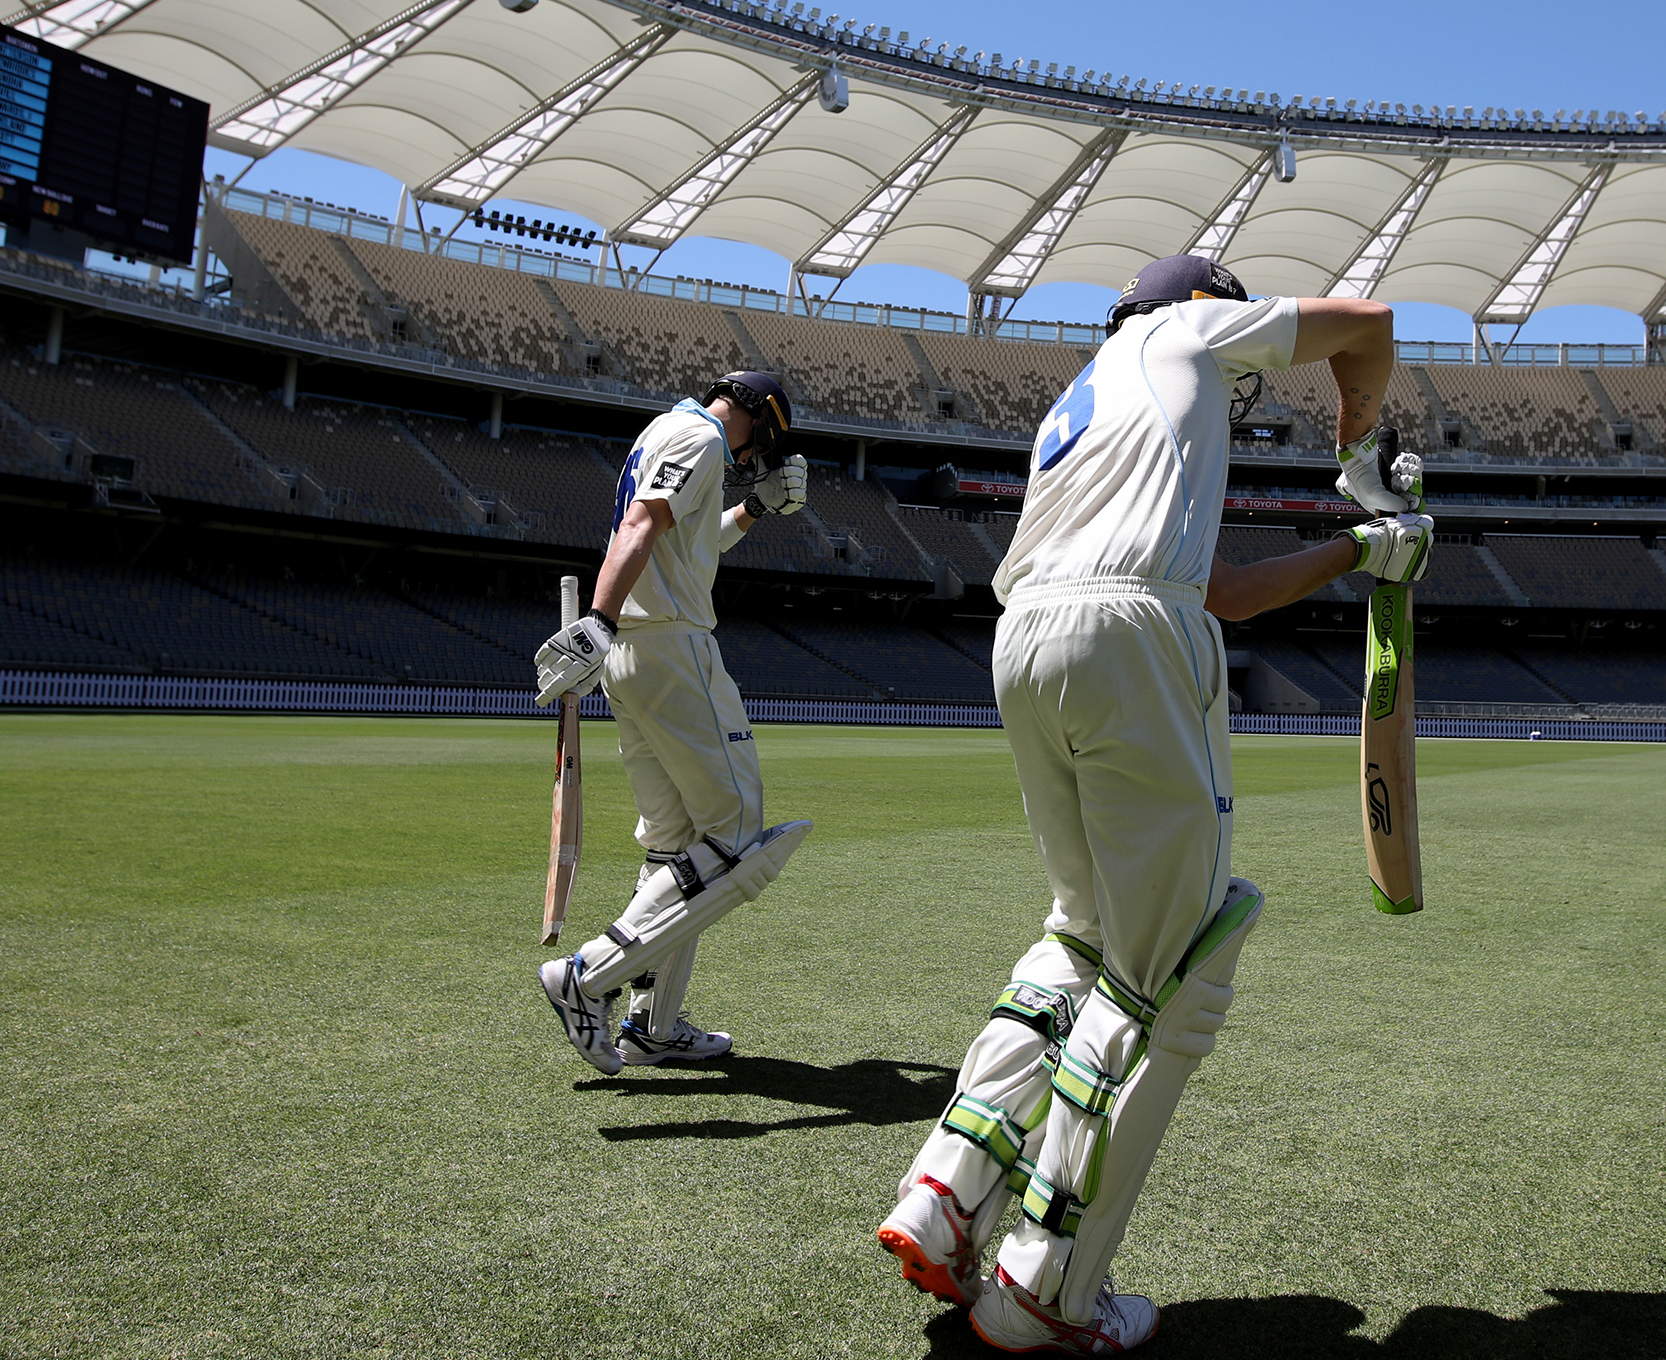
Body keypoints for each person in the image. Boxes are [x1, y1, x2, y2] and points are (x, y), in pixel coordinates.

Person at [875, 256, 1432, 1353]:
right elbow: (1369, 324)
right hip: (1129, 639)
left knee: (1081, 932)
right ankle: (1045, 1289)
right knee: (1180, 963)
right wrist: (1361, 463)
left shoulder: (1086, 399)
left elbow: (1220, 589)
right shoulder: (1190, 334)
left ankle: (946, 1189)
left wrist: (1362, 551)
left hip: (1031, 639)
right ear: (1202, 303)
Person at [533, 370, 814, 1073]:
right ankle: (588, 977)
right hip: (668, 647)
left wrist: (751, 511)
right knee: (738, 835)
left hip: (637, 657)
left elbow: (688, 543)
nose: (761, 456)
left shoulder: (669, 430)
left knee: (674, 844)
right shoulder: (700, 437)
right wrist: (597, 618)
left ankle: (652, 1026)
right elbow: (641, 526)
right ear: (755, 416)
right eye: (767, 439)